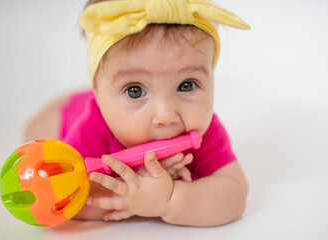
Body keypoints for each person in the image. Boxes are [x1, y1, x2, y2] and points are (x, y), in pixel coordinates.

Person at [24, 0, 250, 227]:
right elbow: (70, 199)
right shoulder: (93, 124)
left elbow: (234, 193)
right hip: (69, 114)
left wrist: (170, 199)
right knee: (34, 133)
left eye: (187, 85)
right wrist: (129, 197)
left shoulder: (206, 131)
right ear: (99, 93)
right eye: (135, 90)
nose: (166, 115)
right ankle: (77, 97)